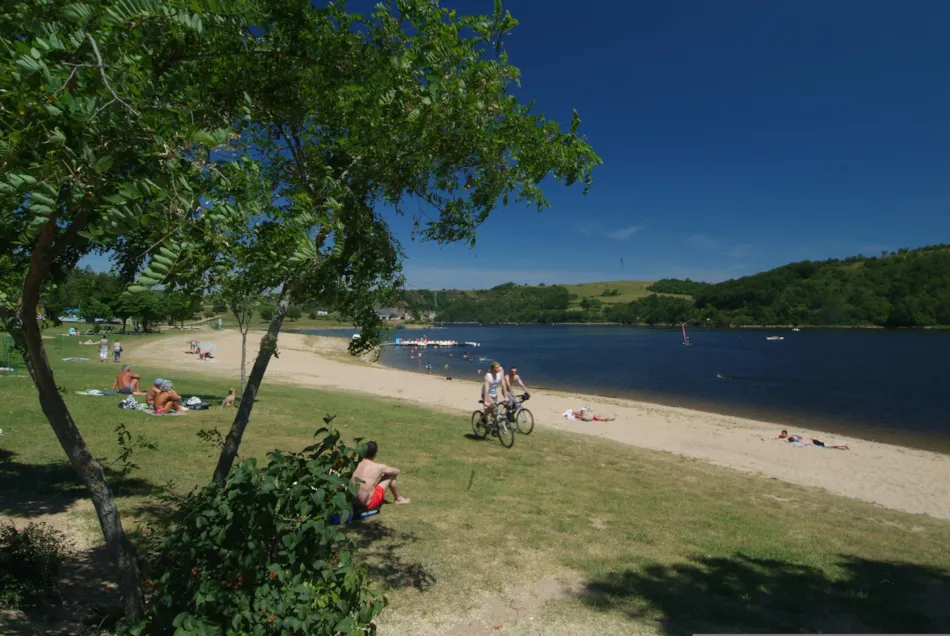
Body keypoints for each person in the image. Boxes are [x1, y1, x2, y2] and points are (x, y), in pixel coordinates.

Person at [350, 441, 410, 510]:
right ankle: (399, 499)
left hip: (353, 502)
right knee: (391, 475)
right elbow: (396, 471)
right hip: (367, 504)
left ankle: (398, 499)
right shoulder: (378, 467)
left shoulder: (357, 464)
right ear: (376, 454)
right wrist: (384, 472)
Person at [778, 429, 849, 450]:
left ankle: (843, 445)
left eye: (783, 434)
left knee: (827, 445)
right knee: (827, 445)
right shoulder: (796, 437)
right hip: (812, 440)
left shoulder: (795, 438)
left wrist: (809, 444)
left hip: (813, 442)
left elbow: (806, 443)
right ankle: (842, 446)